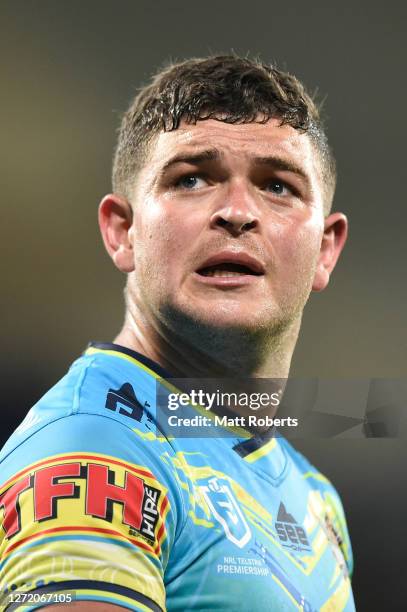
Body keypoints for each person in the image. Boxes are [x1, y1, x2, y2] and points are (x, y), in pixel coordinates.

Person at [0, 55, 354, 611]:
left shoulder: (317, 502)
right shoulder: (93, 450)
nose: (238, 213)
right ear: (123, 232)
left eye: (278, 186)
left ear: (325, 250)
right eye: (190, 179)